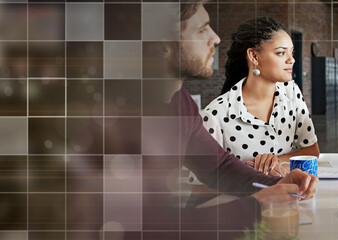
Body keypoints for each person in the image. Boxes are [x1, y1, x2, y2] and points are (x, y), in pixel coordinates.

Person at [69, 2, 318, 239]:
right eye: (201, 29)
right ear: (163, 46)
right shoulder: (111, 116)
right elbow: (141, 229)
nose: (216, 38)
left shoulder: (181, 104)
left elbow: (219, 168)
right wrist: (255, 207)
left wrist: (276, 183)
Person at [200, 16, 319, 176]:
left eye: (291, 52)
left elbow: (311, 151)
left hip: (289, 197)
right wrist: (250, 173)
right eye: (281, 53)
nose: (291, 60)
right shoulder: (215, 115)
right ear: (254, 56)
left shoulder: (291, 92)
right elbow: (200, 184)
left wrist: (276, 161)